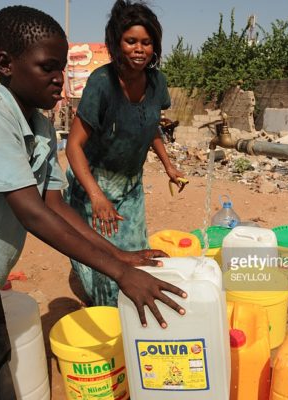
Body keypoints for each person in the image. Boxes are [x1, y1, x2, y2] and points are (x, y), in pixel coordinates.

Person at [0, 6, 186, 399]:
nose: (60, 79)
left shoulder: (39, 126)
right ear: (6, 64)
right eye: (48, 68)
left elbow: (55, 206)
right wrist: (121, 274)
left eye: (62, 68)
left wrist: (121, 256)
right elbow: (31, 211)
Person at [65, 0, 185, 306]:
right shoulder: (102, 84)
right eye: (131, 41)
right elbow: (73, 145)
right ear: (117, 43)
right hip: (94, 183)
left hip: (131, 185)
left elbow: (149, 127)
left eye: (146, 42)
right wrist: (96, 195)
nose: (139, 49)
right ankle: (109, 320)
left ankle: (129, 316)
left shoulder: (157, 83)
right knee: (104, 259)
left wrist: (169, 166)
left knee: (135, 253)